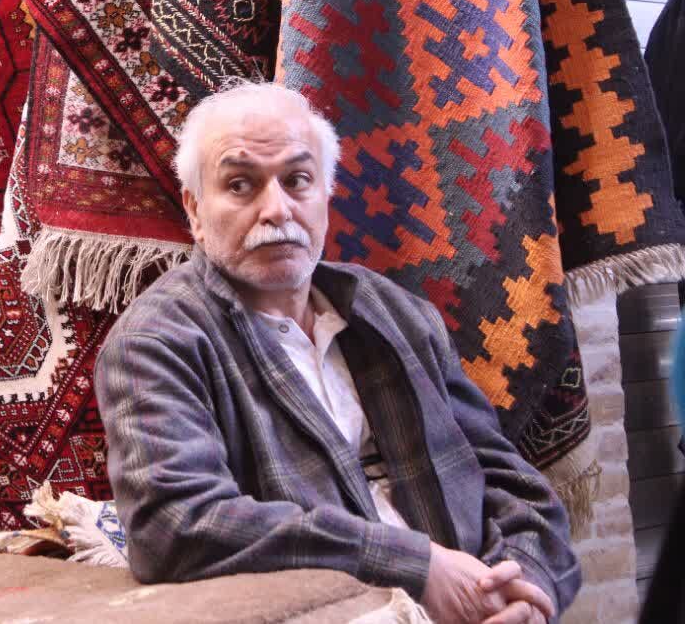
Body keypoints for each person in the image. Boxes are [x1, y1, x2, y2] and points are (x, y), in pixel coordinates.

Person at [94, 81, 579, 624]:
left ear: (325, 193)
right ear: (196, 211)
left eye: (297, 180)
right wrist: (416, 566)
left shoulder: (395, 312)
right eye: (240, 185)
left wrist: (526, 584)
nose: (276, 210)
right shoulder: (157, 343)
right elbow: (174, 525)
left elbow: (509, 484)